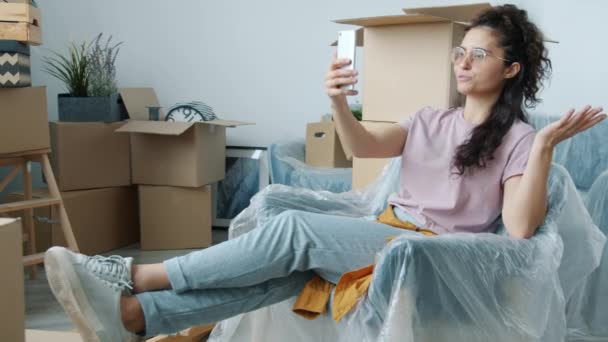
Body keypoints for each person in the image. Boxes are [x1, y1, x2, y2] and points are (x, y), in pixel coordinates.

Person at [44, 4, 606, 341]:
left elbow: (521, 227)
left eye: (478, 55)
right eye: (460, 51)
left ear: (511, 69)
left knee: (294, 233)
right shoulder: (430, 119)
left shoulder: (521, 140)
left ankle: (134, 276)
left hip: (434, 258)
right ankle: (137, 316)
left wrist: (544, 148)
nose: (462, 61)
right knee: (284, 273)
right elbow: (363, 141)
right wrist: (339, 101)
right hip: (386, 232)